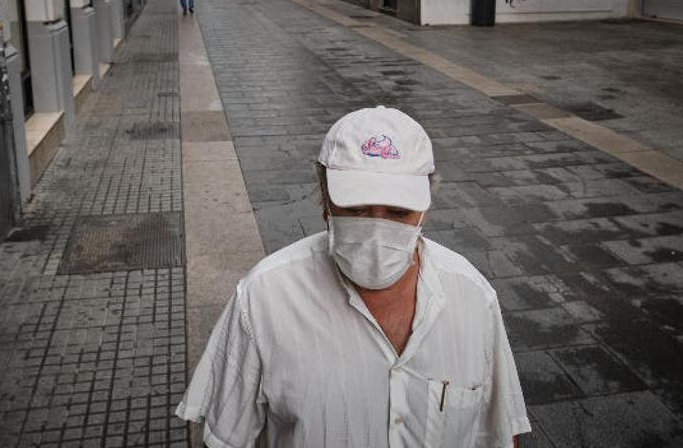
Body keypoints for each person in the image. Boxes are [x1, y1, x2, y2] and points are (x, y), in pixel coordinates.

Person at [176, 106, 531, 447]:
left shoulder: (473, 298)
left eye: (397, 212)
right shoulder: (263, 298)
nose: (377, 230)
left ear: (425, 209)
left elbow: (499, 433)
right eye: (357, 209)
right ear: (325, 203)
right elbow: (224, 438)